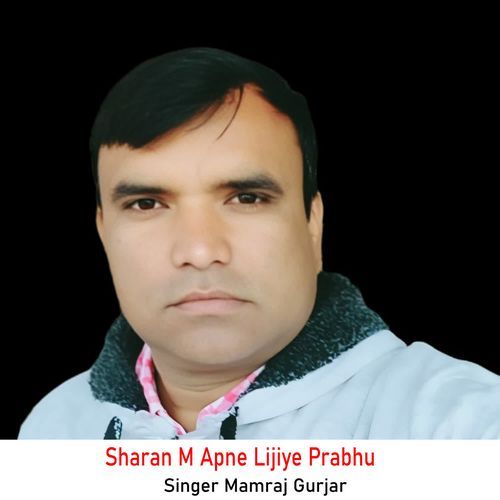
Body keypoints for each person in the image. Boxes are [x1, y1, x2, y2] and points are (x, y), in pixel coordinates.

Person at [18, 47, 500, 439]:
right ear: (103, 231)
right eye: (147, 203)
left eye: (246, 198)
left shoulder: (458, 425)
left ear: (313, 225)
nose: (199, 251)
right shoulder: (52, 428)